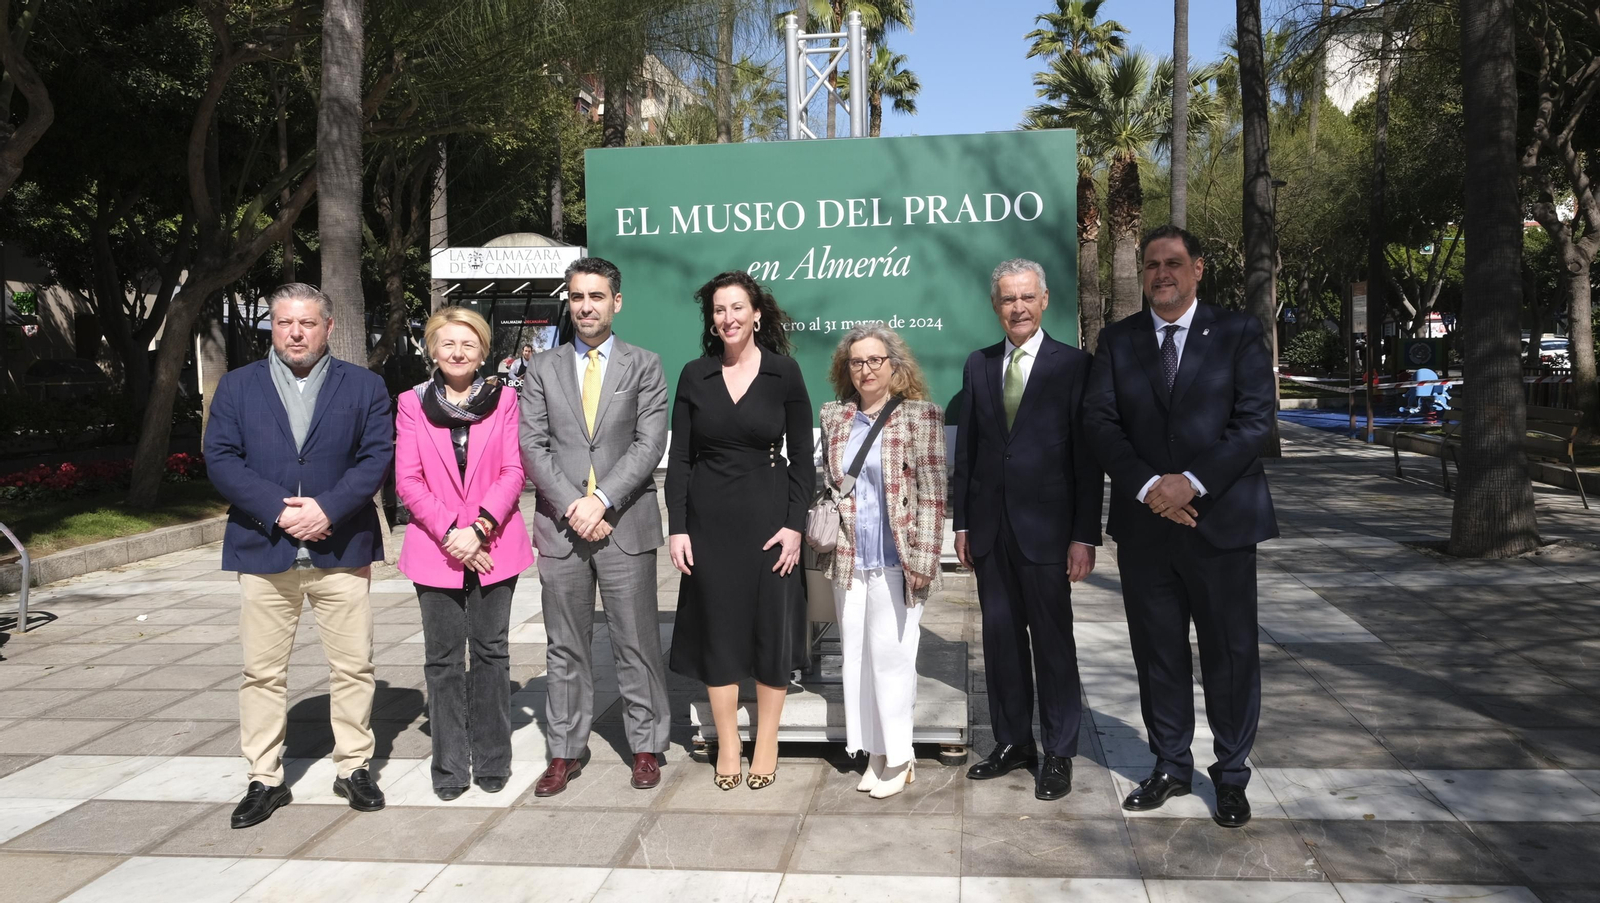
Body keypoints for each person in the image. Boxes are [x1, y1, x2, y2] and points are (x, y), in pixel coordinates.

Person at [1082, 225, 1277, 829]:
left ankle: (1232, 774)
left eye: (1173, 263)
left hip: (1221, 525)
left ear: (1197, 269)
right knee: (1157, 653)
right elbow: (1100, 422)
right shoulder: (1118, 340)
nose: (1161, 274)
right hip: (1146, 528)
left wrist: (1190, 482)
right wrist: (1150, 487)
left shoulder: (1239, 332)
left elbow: (1254, 421)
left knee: (1230, 653)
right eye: (1151, 265)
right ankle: (1170, 764)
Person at [204, 283, 394, 828]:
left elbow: (376, 456)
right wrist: (279, 511)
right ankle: (264, 778)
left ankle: (353, 767)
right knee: (262, 673)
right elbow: (220, 458)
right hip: (264, 548)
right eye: (284, 322)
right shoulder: (238, 386)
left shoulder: (364, 385)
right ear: (272, 325)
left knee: (353, 666)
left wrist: (328, 508)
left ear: (328, 327)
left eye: (306, 323)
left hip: (341, 548)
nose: (294, 333)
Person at [952, 259, 1104, 802]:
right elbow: (969, 453)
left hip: (1048, 533)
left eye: (1026, 297)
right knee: (1000, 642)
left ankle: (1059, 751)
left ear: (1044, 300)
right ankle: (1013, 741)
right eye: (1007, 299)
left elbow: (1087, 459)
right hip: (990, 530)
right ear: (996, 306)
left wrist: (1084, 535)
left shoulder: (1075, 366)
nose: (1017, 307)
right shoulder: (978, 364)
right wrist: (962, 523)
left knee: (1053, 643)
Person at [520, 257, 672, 796]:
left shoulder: (644, 365)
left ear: (616, 302)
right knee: (565, 647)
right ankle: (565, 750)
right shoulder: (542, 367)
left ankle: (646, 746)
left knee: (637, 642)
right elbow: (532, 445)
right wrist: (573, 505)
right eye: (578, 296)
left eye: (596, 296)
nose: (586, 306)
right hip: (561, 529)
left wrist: (602, 500)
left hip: (624, 525)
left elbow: (649, 444)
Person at [666, 271, 814, 791]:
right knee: (719, 630)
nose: (728, 318)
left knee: (771, 629)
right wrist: (677, 528)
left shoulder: (784, 372)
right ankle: (728, 743)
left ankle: (767, 741)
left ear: (756, 314)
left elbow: (803, 460)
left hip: (770, 522)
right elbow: (680, 459)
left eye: (736, 308)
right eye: (718, 310)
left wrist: (795, 526)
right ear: (712, 320)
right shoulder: (695, 375)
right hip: (708, 524)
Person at [394, 307, 534, 800]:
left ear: (483, 351)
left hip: (494, 542)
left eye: (468, 344)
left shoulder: (505, 400)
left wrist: (478, 528)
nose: (457, 352)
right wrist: (453, 532)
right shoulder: (411, 403)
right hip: (436, 547)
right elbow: (407, 479)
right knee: (443, 659)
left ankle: (493, 758)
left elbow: (514, 470)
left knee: (492, 652)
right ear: (432, 349)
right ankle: (450, 764)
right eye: (448, 343)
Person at [815, 324, 946, 799]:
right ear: (846, 368)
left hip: (898, 559)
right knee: (857, 659)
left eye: (875, 360)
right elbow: (831, 483)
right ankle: (873, 751)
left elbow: (933, 494)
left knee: (893, 659)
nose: (866, 369)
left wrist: (926, 557)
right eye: (857, 362)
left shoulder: (919, 416)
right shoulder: (835, 417)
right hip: (850, 559)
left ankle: (901, 755)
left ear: (894, 365)